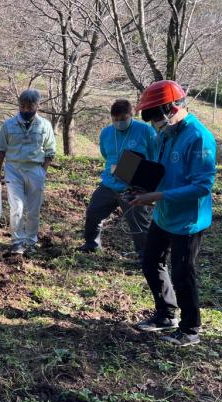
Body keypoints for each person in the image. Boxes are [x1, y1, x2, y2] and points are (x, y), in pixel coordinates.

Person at [131, 80, 217, 347]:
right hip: (164, 213)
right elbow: (159, 169)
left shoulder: (199, 137)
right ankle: (165, 314)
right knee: (150, 261)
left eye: (157, 116)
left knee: (182, 272)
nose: (155, 123)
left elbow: (202, 186)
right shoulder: (164, 135)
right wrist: (139, 186)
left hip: (188, 220)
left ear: (173, 108)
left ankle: (190, 328)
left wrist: (157, 196)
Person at [78, 99, 157, 261]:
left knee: (138, 222)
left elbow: (155, 156)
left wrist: (147, 182)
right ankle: (92, 244)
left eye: (123, 119)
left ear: (131, 115)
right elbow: (106, 154)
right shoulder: (106, 132)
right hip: (109, 183)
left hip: (134, 186)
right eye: (116, 119)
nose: (119, 122)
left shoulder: (145, 131)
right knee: (94, 211)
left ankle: (145, 256)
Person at [0, 89, 56, 256]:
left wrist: (42, 171)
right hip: (13, 169)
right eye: (23, 106)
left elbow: (50, 151)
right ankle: (17, 242)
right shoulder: (8, 125)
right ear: (19, 106)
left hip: (36, 169)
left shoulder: (45, 125)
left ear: (37, 106)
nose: (26, 110)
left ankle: (31, 241)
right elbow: (1, 150)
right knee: (17, 207)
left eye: (30, 106)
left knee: (33, 209)